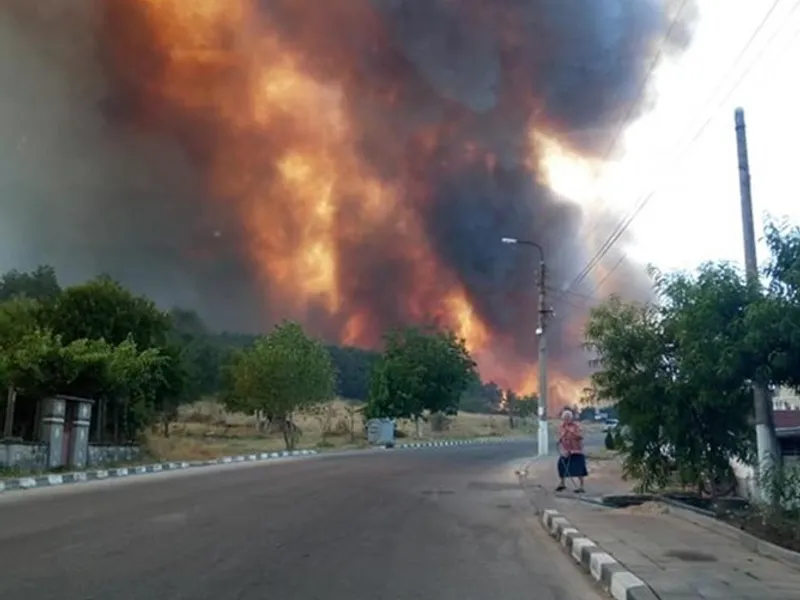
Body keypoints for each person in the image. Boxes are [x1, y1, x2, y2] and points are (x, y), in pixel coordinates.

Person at [556, 409, 587, 493]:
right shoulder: (561, 426)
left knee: (579, 469)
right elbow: (560, 437)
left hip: (576, 450)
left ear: (571, 418)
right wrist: (560, 440)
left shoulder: (576, 426)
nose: (566, 419)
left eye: (568, 417)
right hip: (566, 451)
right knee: (561, 466)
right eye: (565, 417)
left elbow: (580, 436)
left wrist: (571, 432)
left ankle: (581, 487)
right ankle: (562, 484)